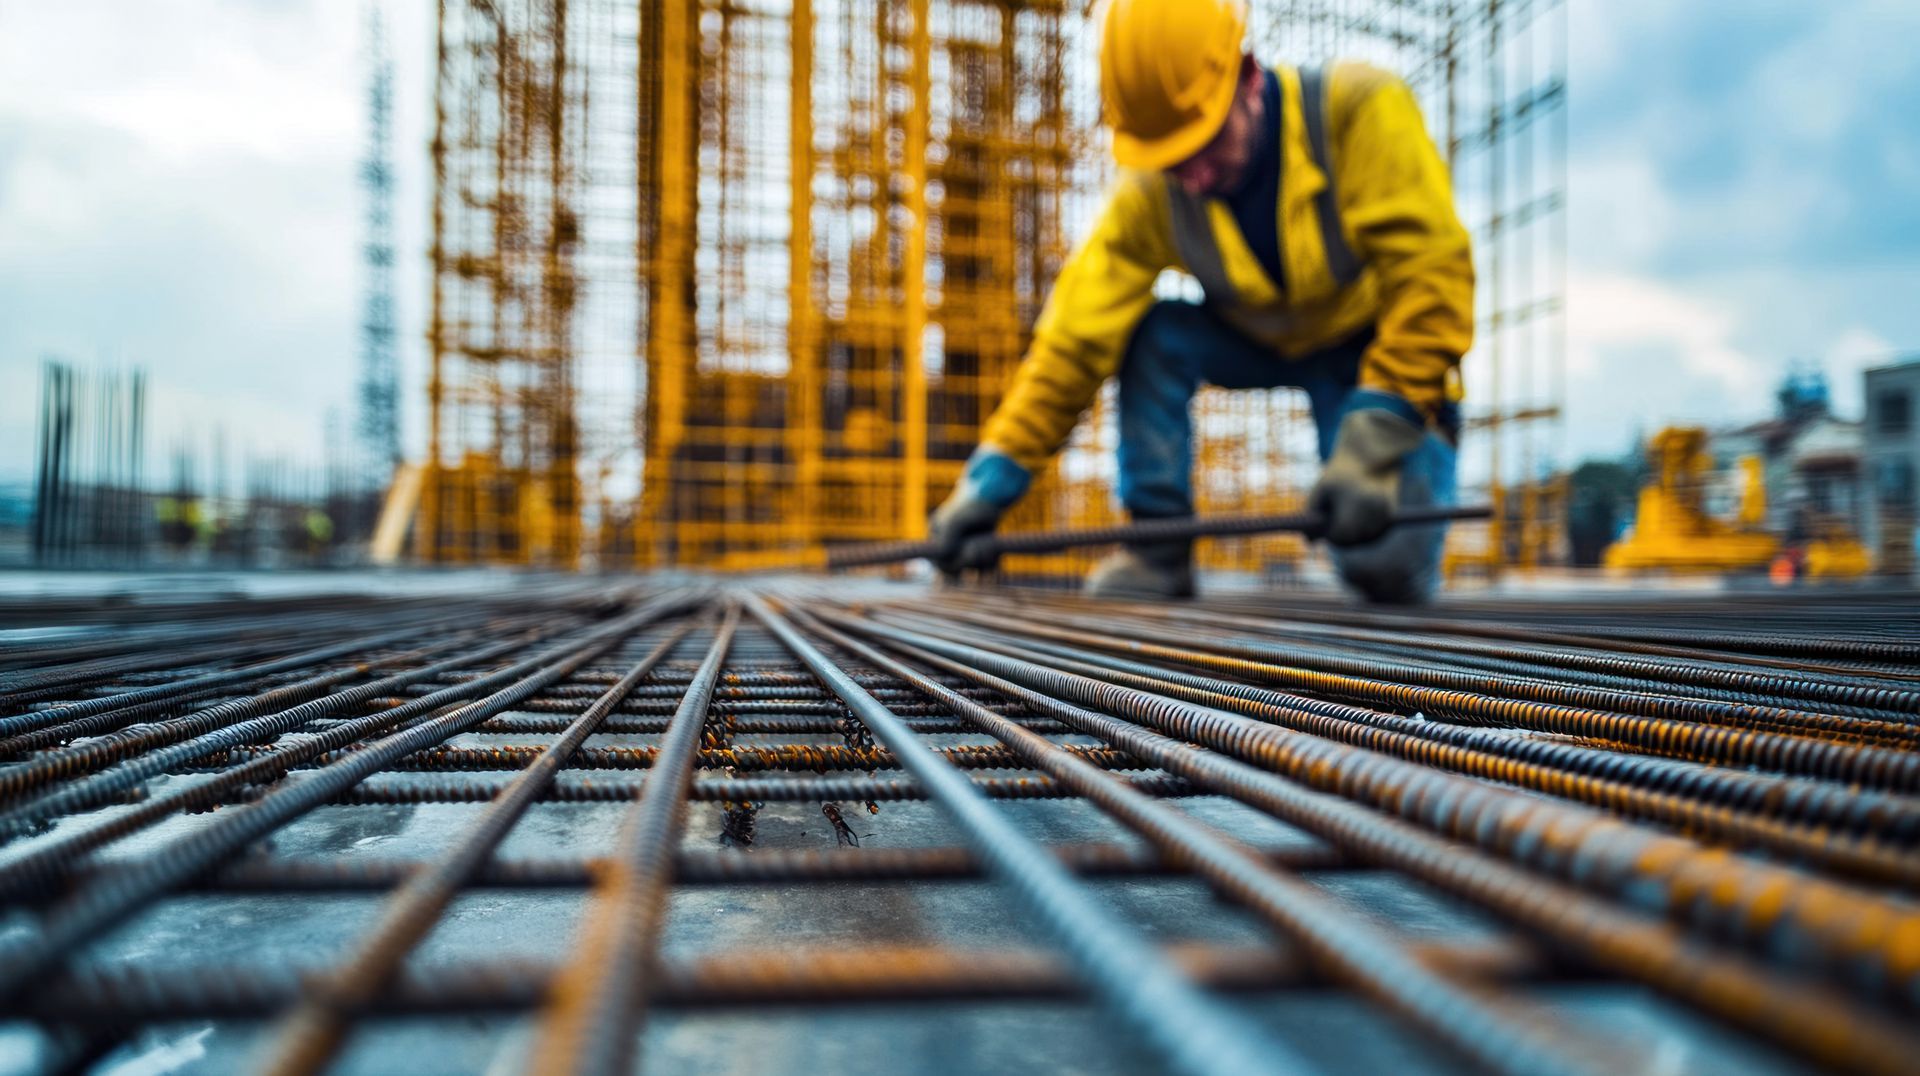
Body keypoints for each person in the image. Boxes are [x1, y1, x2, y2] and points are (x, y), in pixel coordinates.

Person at [927, 0, 1472, 603]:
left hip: (1365, 356)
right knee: (1150, 331)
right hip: (1254, 341)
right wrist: (990, 482)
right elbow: (1073, 343)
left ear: (1250, 79)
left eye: (1206, 144)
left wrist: (1375, 436)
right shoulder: (1153, 191)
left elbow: (1432, 278)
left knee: (1384, 567)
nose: (1195, 177)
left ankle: (1381, 506)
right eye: (1172, 160)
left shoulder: (1358, 109)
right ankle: (1158, 550)